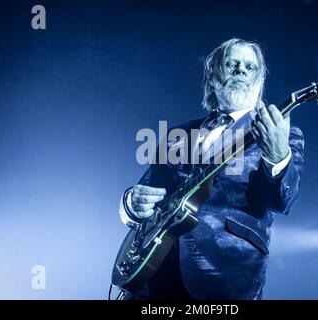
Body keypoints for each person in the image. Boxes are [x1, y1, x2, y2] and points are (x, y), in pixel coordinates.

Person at [118, 38, 305, 300]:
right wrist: (131, 203)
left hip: (222, 277)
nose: (241, 70)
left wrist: (277, 154)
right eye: (232, 64)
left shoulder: (280, 134)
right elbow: (145, 192)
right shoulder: (179, 134)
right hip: (152, 275)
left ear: (260, 81)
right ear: (213, 76)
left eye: (250, 67)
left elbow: (283, 200)